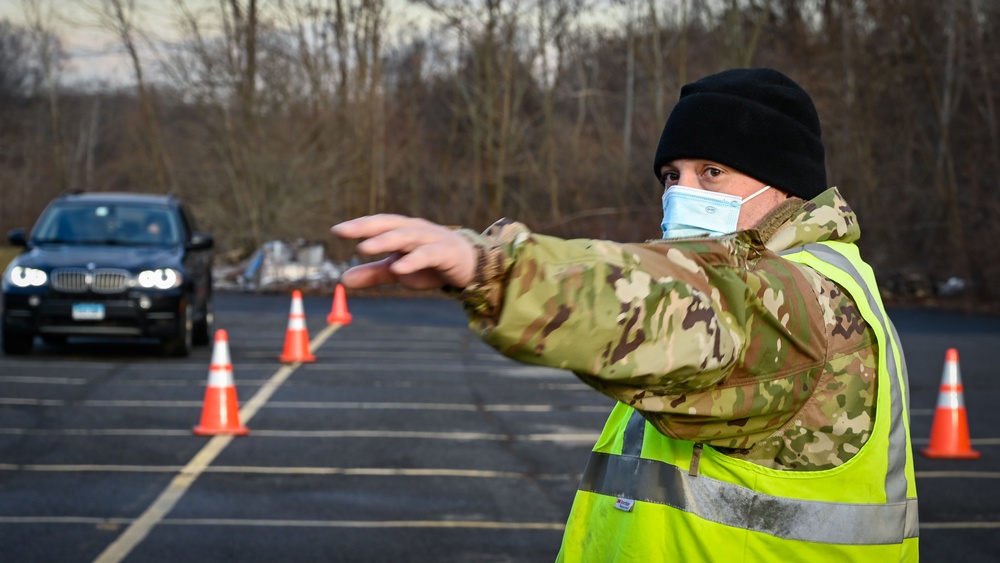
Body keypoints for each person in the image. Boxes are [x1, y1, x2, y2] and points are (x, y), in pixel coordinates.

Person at [332, 68, 918, 561]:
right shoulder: (769, 277)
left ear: (786, 187)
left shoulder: (804, 297)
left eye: (712, 172)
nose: (681, 193)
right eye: (672, 176)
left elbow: (672, 306)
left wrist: (500, 270)